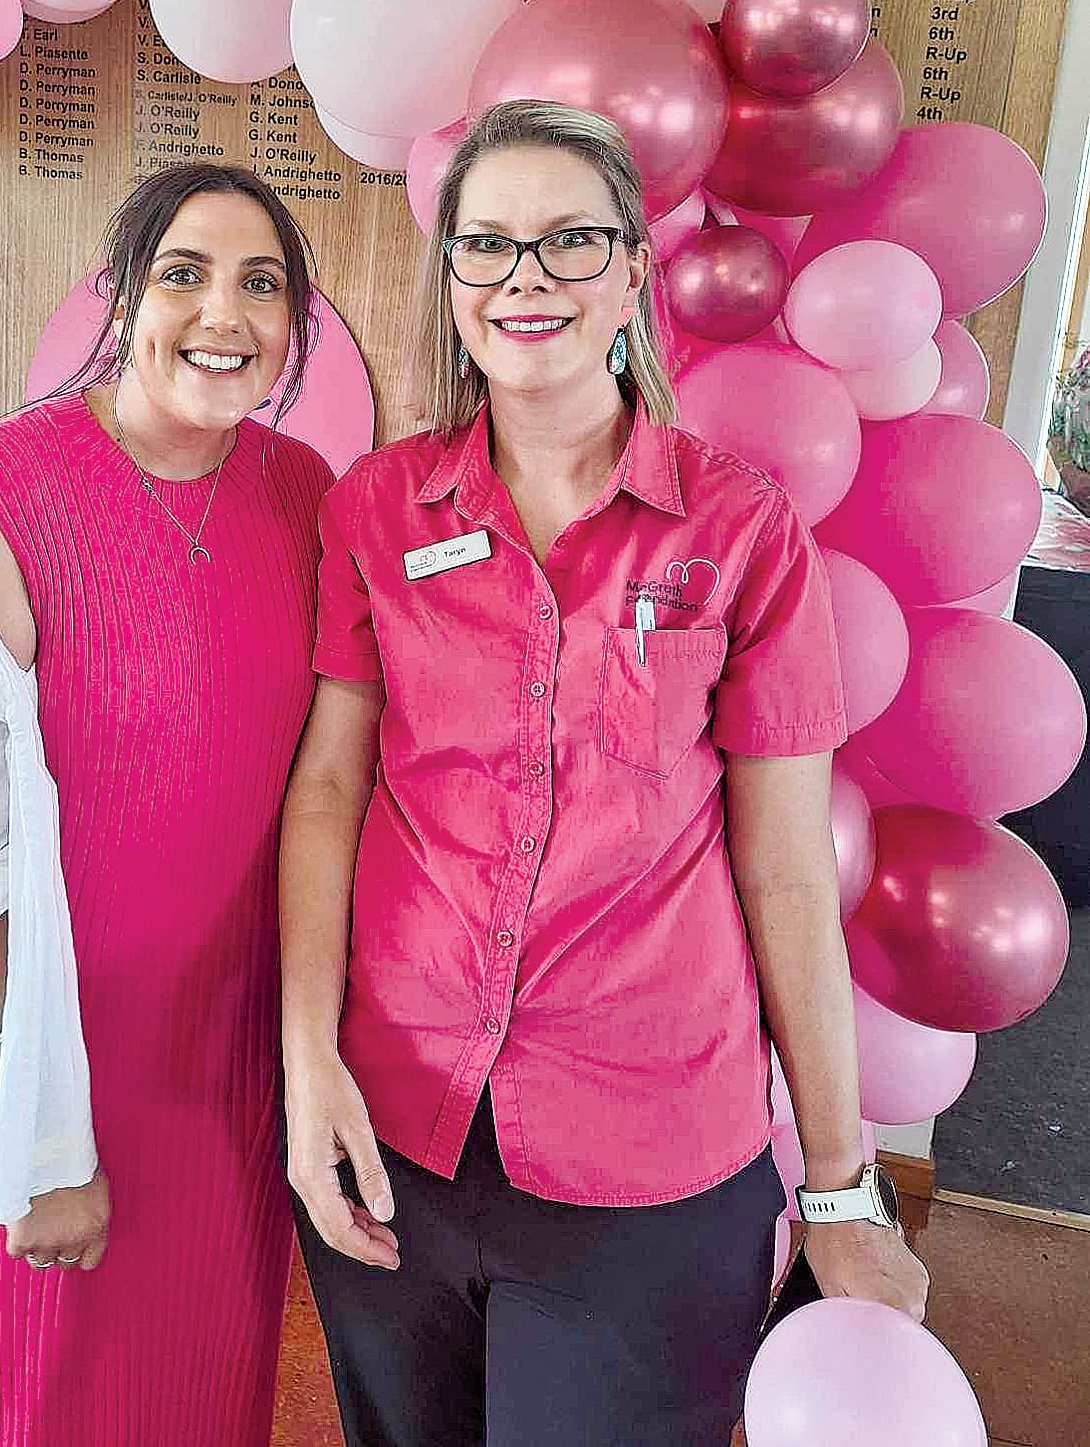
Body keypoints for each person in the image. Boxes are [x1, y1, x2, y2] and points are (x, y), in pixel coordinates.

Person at [280, 99, 929, 1447]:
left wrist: (843, 1189)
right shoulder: (376, 509)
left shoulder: (741, 530)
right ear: (450, 276)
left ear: (634, 270)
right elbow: (331, 796)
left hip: (651, 1157)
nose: (527, 280)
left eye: (571, 242)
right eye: (490, 246)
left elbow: (788, 870)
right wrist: (308, 1075)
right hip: (398, 1122)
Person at [0, 164, 334, 1447]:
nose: (225, 312)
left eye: (261, 283)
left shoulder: (305, 492)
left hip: (221, 1070)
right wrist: (34, 1136)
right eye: (184, 273)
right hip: (38, 1055)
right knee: (35, 1408)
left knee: (208, 1400)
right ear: (119, 295)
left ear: (294, 325)